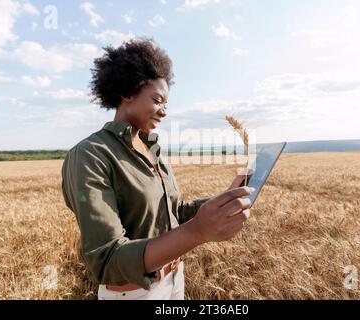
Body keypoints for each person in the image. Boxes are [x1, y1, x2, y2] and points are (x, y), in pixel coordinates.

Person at [61, 37, 253, 300]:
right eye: (158, 100)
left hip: (175, 279)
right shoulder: (91, 154)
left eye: (166, 105)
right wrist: (198, 231)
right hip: (135, 294)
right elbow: (107, 261)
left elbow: (174, 212)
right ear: (128, 92)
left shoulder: (152, 150)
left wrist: (224, 200)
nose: (163, 112)